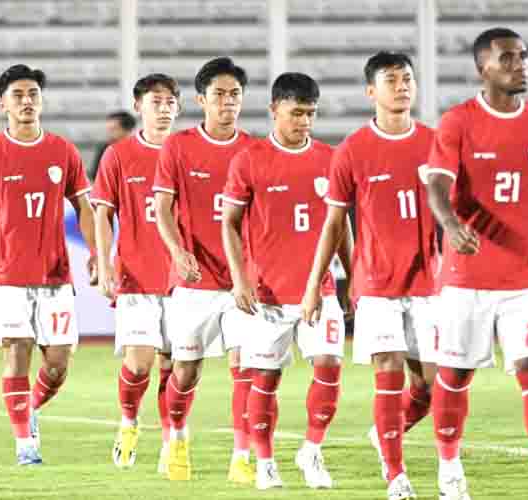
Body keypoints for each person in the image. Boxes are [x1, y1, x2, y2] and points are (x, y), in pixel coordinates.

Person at [425, 27, 528, 500]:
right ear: (484, 68)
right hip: (465, 278)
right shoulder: (457, 122)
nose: (523, 65)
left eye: (524, 56)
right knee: (455, 376)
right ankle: (450, 472)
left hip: (526, 280)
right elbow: (437, 185)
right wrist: (452, 226)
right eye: (509, 58)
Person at [301, 51, 441, 500]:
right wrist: (315, 286)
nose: (401, 85)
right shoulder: (353, 151)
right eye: (391, 79)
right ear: (370, 91)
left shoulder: (437, 144)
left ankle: (386, 431)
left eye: (407, 78)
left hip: (428, 283)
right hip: (376, 283)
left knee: (432, 386)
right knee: (390, 369)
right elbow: (333, 224)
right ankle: (396, 476)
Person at [221, 72, 352, 490]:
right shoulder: (249, 160)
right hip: (267, 295)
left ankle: (311, 450)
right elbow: (229, 222)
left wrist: (356, 275)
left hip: (321, 290)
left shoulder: (331, 159)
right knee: (266, 378)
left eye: (310, 114)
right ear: (274, 109)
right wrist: (240, 279)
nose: (304, 122)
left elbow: (340, 224)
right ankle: (264, 462)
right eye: (296, 113)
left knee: (330, 366)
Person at [0, 64, 97, 466]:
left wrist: (97, 255)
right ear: (2, 103)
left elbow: (85, 208)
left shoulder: (62, 151)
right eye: (18, 95)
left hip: (55, 276)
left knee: (57, 364)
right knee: (16, 351)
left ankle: (29, 408)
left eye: (33, 94)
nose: (26, 101)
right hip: (8, 276)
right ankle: (25, 443)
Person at [152, 56, 256, 483]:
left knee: (246, 367)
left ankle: (243, 454)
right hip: (194, 279)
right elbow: (161, 208)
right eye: (219, 94)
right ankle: (175, 437)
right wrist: (177, 252)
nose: (228, 101)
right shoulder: (178, 147)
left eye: (235, 94)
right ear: (201, 99)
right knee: (187, 370)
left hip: (240, 281)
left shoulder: (255, 149)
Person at [91, 73, 181, 472]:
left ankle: (171, 440)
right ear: (138, 106)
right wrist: (105, 260)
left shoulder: (189, 152)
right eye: (155, 102)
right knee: (140, 363)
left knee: (176, 365)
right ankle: (128, 423)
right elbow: (103, 212)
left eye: (169, 102)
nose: (163, 110)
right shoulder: (119, 155)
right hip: (137, 276)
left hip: (184, 280)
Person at [89, 111, 136, 181]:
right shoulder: (104, 148)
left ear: (127, 130)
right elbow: (95, 174)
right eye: (108, 129)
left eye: (113, 129)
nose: (109, 132)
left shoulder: (139, 148)